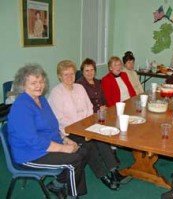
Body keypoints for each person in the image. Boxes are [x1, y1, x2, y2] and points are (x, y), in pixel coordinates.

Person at [8, 64, 87, 199]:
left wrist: (66, 139)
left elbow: (53, 126)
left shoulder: (42, 100)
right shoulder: (21, 106)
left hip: (47, 145)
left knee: (83, 151)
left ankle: (56, 185)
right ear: (23, 85)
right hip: (30, 154)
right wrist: (63, 148)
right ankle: (73, 196)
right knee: (74, 160)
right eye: (33, 83)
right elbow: (33, 140)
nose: (38, 86)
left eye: (41, 82)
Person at [48, 60, 125, 191]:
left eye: (72, 74)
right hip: (69, 131)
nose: (70, 77)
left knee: (101, 136)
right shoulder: (56, 93)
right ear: (59, 76)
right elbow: (60, 119)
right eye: (66, 74)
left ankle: (113, 170)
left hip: (86, 125)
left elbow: (89, 108)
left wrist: (85, 121)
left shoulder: (79, 87)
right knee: (89, 145)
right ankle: (103, 175)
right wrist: (81, 122)